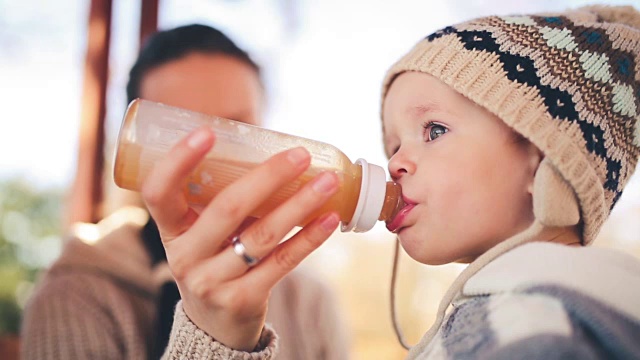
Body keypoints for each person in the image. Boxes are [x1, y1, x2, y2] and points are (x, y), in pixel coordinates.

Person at [136, 5, 640, 359]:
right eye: (393, 145)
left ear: (540, 156)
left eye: (434, 130)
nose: (396, 163)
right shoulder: (503, 308)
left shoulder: (534, 320)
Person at [21, 24, 350, 360]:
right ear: (136, 152)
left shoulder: (309, 300)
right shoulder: (73, 295)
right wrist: (213, 340)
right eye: (182, 138)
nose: (218, 163)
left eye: (240, 131)